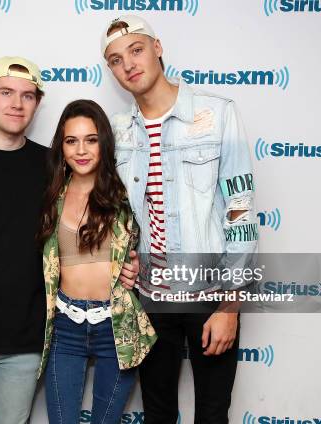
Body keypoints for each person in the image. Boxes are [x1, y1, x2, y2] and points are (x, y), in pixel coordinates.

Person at [0, 57, 140, 424]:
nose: (16, 104)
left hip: (26, 342)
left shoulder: (52, 168)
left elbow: (91, 225)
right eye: (6, 92)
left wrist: (128, 263)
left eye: (27, 95)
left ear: (37, 103)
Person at [101, 15, 259, 424]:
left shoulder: (218, 114)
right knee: (157, 414)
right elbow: (111, 213)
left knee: (211, 414)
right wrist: (123, 264)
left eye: (136, 50)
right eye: (116, 60)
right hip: (149, 301)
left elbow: (240, 213)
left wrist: (230, 307)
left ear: (157, 48)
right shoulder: (117, 132)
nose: (129, 65)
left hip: (210, 296)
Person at [37, 99, 157, 424]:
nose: (81, 150)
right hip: (65, 326)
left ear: (103, 141)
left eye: (91, 139)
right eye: (71, 141)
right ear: (61, 147)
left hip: (115, 326)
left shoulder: (125, 193)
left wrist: (138, 267)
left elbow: (155, 241)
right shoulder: (51, 195)